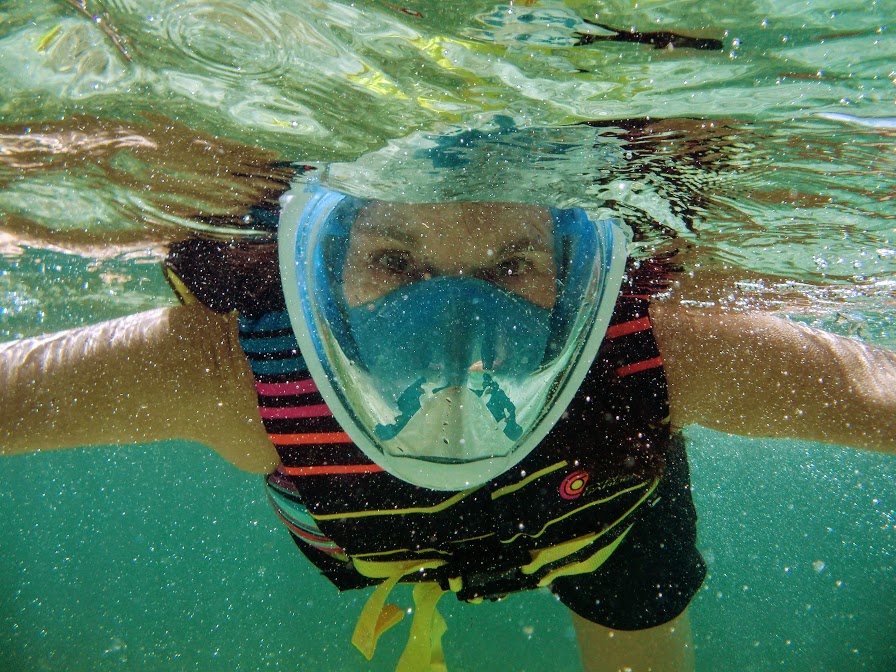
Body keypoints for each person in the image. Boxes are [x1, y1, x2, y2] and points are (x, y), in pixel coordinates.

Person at [2, 139, 895, 672]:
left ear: (584, 276)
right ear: (314, 273)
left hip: (608, 511)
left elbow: (869, 392)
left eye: (512, 267)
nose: (457, 329)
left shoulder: (652, 359)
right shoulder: (232, 371)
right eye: (394, 264)